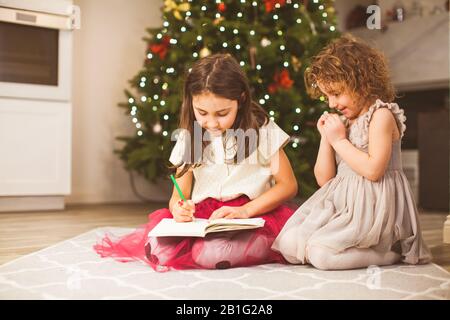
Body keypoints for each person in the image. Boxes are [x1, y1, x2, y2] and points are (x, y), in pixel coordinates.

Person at [94, 53, 298, 271]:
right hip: (205, 218)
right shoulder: (190, 137)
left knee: (210, 255)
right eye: (201, 112)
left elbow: (288, 185)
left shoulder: (262, 130)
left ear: (241, 99)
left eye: (222, 113)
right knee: (158, 250)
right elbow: (177, 196)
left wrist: (246, 211)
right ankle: (233, 247)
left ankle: (266, 244)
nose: (211, 122)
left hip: (252, 213)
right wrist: (178, 209)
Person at [272, 35, 432, 270]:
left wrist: (339, 141)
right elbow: (325, 179)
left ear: (363, 83)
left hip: (375, 210)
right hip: (344, 206)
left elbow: (373, 170)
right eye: (326, 96)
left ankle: (388, 255)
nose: (330, 103)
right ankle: (341, 245)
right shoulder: (345, 122)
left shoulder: (381, 116)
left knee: (321, 255)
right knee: (289, 243)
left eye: (336, 93)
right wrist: (327, 139)